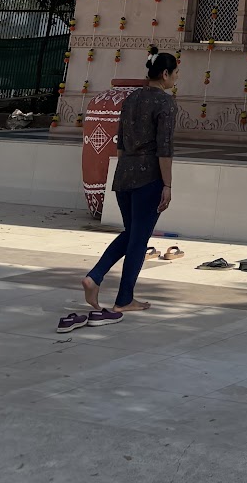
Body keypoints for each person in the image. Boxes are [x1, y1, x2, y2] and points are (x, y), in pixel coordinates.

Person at [80, 48, 178, 321]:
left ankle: (96, 276)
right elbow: (164, 149)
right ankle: (123, 299)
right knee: (138, 238)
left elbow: (120, 144)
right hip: (149, 177)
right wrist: (167, 185)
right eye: (175, 73)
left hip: (124, 175)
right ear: (166, 73)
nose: (175, 79)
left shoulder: (131, 99)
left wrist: (125, 171)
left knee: (132, 234)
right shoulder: (166, 103)